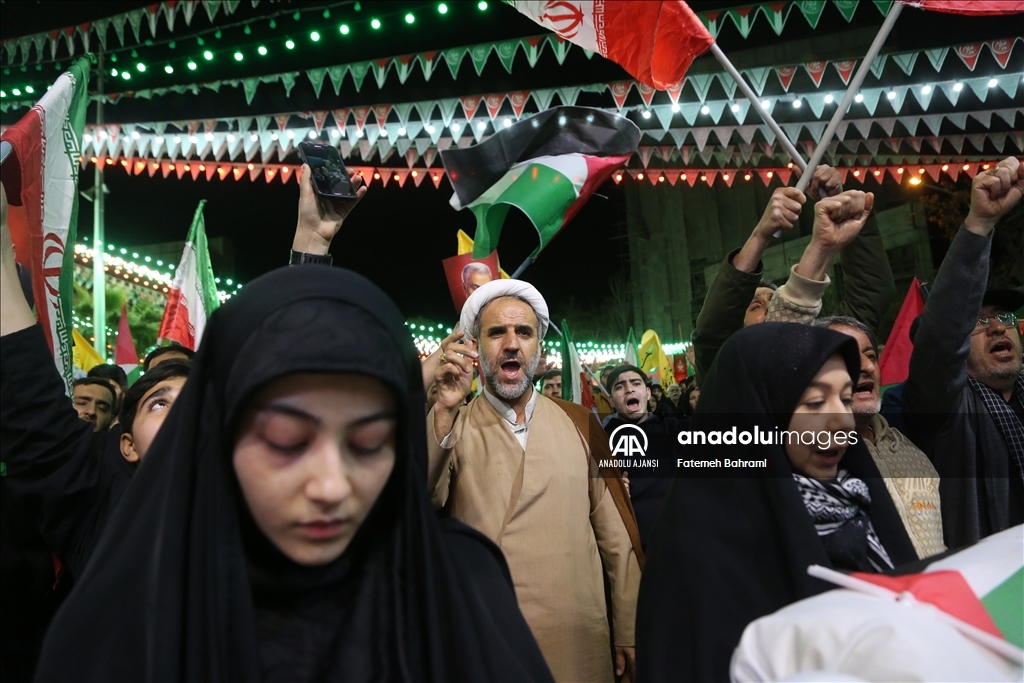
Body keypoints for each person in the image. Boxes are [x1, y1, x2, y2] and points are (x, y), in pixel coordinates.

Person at [33, 265, 554, 682]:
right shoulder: (128, 617)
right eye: (286, 442)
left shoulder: (464, 590)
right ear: (221, 439)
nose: (330, 486)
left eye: (369, 443)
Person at [637, 323, 916, 682]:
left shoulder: (858, 500)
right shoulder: (695, 548)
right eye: (815, 402)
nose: (842, 422)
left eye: (845, 399)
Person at [428, 279, 642, 683]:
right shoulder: (450, 422)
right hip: (486, 642)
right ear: (475, 348)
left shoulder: (583, 423)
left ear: (538, 347)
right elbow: (421, 503)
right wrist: (442, 413)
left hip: (580, 643)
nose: (511, 344)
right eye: (497, 332)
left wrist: (628, 628)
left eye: (523, 332)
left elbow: (618, 538)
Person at [903, 156, 1024, 547]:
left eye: (1002, 316)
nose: (996, 326)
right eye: (977, 321)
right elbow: (942, 334)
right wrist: (979, 225)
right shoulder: (947, 409)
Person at [692, 165, 891, 385]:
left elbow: (870, 294)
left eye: (777, 299)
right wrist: (760, 234)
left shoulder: (826, 350)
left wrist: (843, 210)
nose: (774, 307)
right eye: (756, 307)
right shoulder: (732, 380)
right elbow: (712, 335)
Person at [814, 316, 945, 559]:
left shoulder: (910, 451)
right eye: (849, 356)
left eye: (871, 355)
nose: (868, 367)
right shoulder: (807, 458)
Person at [603, 365, 674, 550]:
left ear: (648, 393)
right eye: (620, 386)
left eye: (636, 383)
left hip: (682, 538)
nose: (629, 389)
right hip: (635, 548)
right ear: (611, 401)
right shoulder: (601, 442)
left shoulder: (674, 431)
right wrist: (610, 491)